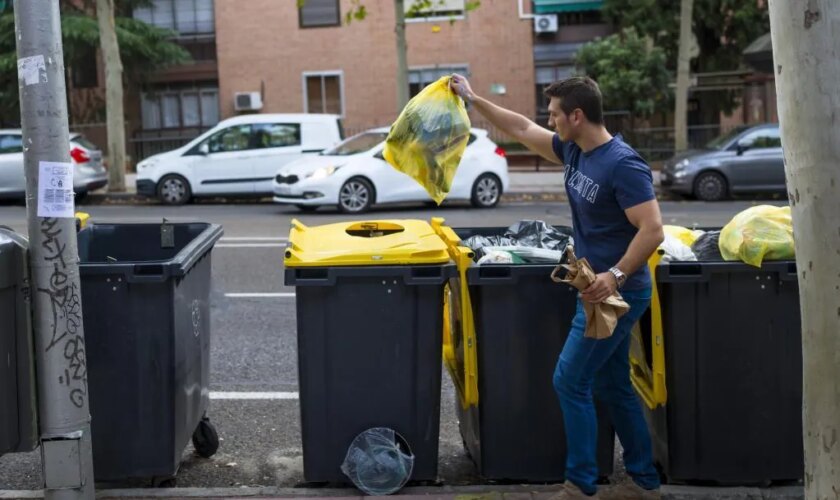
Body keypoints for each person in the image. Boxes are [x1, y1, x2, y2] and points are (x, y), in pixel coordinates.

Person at [449, 74, 664, 500]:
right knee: (613, 384)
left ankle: (580, 485)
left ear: (577, 116)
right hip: (594, 288)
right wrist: (474, 99)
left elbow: (653, 230)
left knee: (570, 380)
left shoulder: (622, 164)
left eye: (555, 114)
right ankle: (645, 482)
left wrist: (615, 275)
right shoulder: (574, 151)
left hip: (616, 294)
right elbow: (521, 128)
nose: (550, 121)